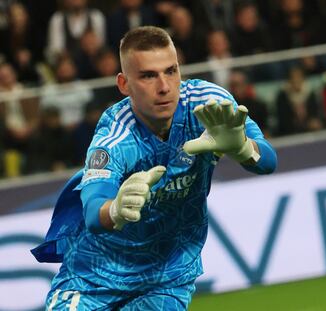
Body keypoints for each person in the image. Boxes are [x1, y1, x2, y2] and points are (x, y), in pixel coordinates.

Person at [32, 26, 277, 310]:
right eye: (148, 75)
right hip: (95, 279)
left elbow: (268, 161)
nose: (164, 86)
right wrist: (116, 209)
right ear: (124, 84)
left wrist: (243, 147)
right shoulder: (115, 136)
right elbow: (92, 211)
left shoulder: (208, 106)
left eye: (171, 71)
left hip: (168, 276)